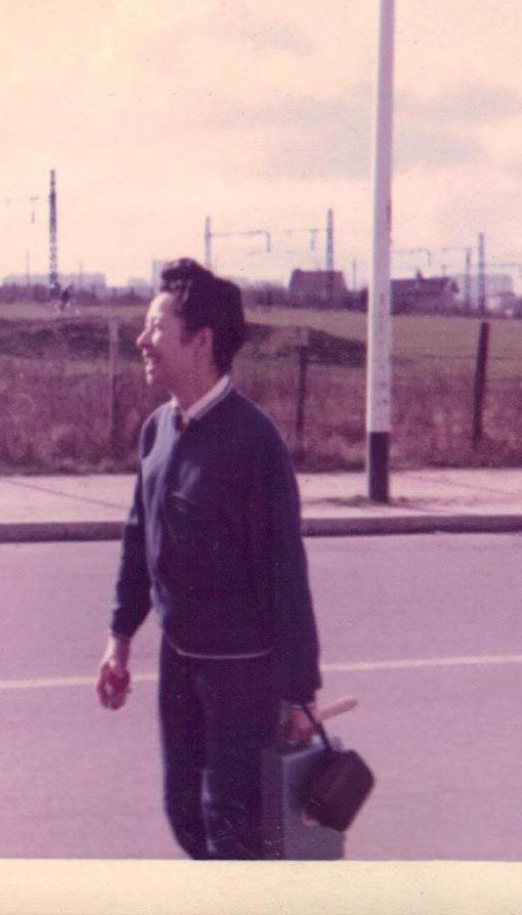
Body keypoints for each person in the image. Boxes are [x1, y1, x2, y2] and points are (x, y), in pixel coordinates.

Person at [95, 257, 322, 860]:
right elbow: (137, 539)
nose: (142, 339)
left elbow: (285, 576)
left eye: (155, 327)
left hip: (243, 675)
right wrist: (119, 639)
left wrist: (300, 692)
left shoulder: (253, 443)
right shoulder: (157, 431)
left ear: (200, 342)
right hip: (181, 662)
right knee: (184, 814)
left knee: (234, 827)